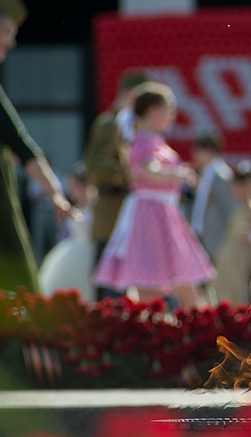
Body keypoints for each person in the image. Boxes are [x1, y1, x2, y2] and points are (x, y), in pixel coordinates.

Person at [0, 0, 76, 295]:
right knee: (6, 281)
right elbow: (18, 139)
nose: (11, 42)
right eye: (6, 31)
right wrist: (55, 192)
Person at [93, 82, 214, 308]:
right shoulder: (142, 142)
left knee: (183, 278)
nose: (173, 116)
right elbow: (149, 170)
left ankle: (197, 330)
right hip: (150, 215)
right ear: (154, 111)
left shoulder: (154, 141)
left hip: (164, 214)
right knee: (150, 280)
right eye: (170, 109)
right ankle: (158, 334)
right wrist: (179, 174)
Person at [83, 70, 149, 300]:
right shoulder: (112, 124)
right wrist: (128, 174)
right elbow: (94, 166)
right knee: (110, 287)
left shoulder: (137, 125)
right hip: (112, 212)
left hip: (135, 214)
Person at [39, 162, 96, 297]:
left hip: (89, 255)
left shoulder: (94, 208)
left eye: (73, 186)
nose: (70, 190)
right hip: (71, 252)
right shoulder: (75, 209)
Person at [212, 161, 251, 305]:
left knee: (237, 292)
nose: (231, 190)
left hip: (240, 258)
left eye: (235, 186)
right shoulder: (240, 206)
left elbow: (248, 237)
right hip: (229, 257)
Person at [189, 135, 235, 262]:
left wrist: (228, 241)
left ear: (207, 151)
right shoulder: (205, 173)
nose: (194, 156)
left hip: (216, 240)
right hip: (201, 237)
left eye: (197, 152)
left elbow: (230, 210)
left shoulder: (222, 175)